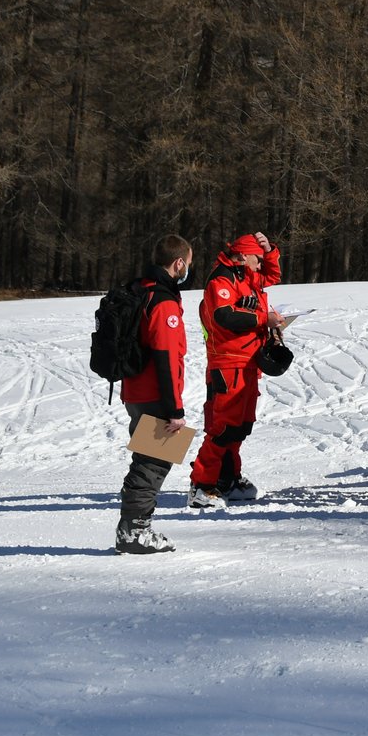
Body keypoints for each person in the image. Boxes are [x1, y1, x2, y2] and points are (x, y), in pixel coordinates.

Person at [190, 231, 283, 508]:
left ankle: (228, 477)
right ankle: (202, 484)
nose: (260, 264)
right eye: (257, 258)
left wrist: (270, 250)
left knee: (240, 427)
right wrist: (261, 318)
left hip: (248, 362)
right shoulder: (222, 279)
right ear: (243, 256)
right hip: (228, 363)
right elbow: (224, 315)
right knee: (222, 428)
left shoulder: (246, 276)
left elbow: (272, 276)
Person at [115, 234, 194, 554]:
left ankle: (134, 526)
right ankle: (133, 529)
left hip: (135, 388)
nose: (189, 269)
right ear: (178, 264)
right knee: (153, 461)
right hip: (154, 391)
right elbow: (165, 355)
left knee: (149, 459)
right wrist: (174, 407)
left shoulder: (142, 289)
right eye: (188, 264)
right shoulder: (162, 302)